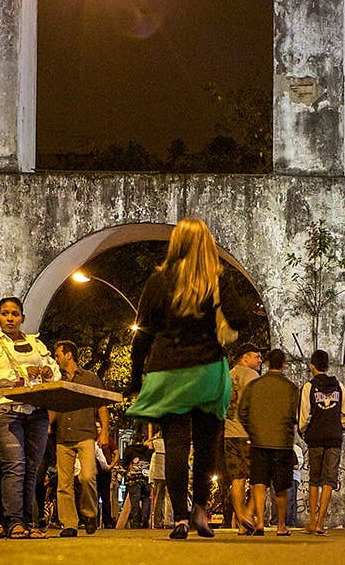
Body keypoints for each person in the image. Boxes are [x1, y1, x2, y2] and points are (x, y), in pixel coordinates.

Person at [128, 217, 250, 540]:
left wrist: (135, 377)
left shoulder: (158, 281)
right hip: (207, 371)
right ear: (208, 245)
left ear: (176, 244)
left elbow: (143, 334)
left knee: (176, 444)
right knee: (207, 446)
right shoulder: (218, 280)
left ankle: (179, 518)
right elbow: (240, 319)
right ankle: (199, 510)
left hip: (167, 371)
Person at [0, 295, 60, 539]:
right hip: (5, 410)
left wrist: (46, 372)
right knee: (15, 467)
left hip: (36, 411)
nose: (10, 318)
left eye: (14, 314)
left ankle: (28, 521)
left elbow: (54, 371)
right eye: (5, 313)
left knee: (32, 469)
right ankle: (13, 522)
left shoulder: (37, 344)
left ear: (22, 318)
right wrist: (21, 375)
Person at [239, 348, 302, 536]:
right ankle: (281, 526)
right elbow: (295, 416)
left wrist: (253, 430)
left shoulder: (254, 386)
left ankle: (259, 523)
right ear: (283, 364)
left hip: (259, 441)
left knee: (259, 483)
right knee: (281, 487)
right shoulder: (291, 388)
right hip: (282, 442)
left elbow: (243, 412)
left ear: (267, 363)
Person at [50, 339, 109, 537]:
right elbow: (54, 408)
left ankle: (90, 513)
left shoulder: (91, 378)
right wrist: (47, 426)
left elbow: (101, 405)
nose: (55, 358)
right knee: (64, 483)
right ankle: (69, 524)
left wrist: (105, 432)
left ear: (68, 355)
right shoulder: (57, 379)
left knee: (87, 476)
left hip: (85, 433)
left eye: (57, 354)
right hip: (63, 436)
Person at [299, 348, 345, 535]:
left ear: (312, 366)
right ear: (328, 365)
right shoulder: (338, 386)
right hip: (334, 438)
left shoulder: (309, 386)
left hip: (315, 438)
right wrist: (339, 425)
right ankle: (321, 522)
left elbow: (304, 416)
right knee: (328, 481)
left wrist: (304, 431)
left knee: (314, 480)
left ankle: (312, 521)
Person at [225, 343, 264, 534]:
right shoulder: (252, 377)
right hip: (247, 435)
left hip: (228, 434)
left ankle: (241, 522)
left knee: (237, 480)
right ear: (245, 358)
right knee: (258, 479)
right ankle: (247, 516)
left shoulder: (227, 376)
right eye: (257, 357)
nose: (260, 360)